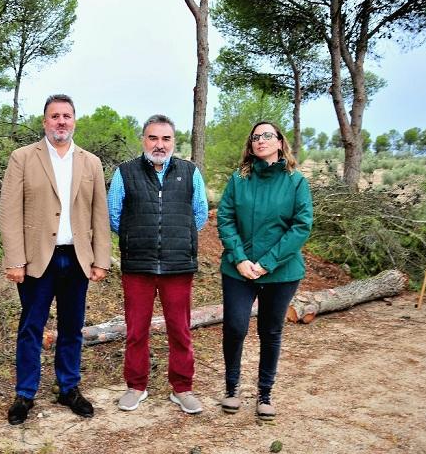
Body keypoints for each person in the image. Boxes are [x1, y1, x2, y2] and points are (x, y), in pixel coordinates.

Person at [0, 94, 111, 425]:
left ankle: (69, 388)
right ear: (45, 121)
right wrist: (15, 259)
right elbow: (9, 212)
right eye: (54, 116)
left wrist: (101, 258)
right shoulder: (22, 158)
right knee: (31, 327)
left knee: (72, 327)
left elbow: (99, 214)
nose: (61, 121)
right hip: (36, 260)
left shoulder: (90, 162)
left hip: (76, 258)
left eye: (66, 115)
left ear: (74, 120)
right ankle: (25, 394)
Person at [108, 114, 208, 414]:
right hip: (138, 267)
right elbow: (115, 216)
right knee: (136, 330)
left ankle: (182, 388)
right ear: (144, 139)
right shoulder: (125, 172)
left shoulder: (190, 172)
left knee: (180, 330)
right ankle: (136, 386)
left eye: (166, 139)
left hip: (178, 267)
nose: (159, 144)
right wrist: (137, 238)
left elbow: (199, 215)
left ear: (173, 142)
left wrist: (176, 237)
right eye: (153, 138)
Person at [216, 121, 313, 421]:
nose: (261, 141)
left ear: (280, 142)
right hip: (238, 269)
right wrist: (241, 259)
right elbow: (225, 218)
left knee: (270, 330)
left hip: (281, 271)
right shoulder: (239, 179)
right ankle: (232, 389)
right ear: (251, 144)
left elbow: (301, 226)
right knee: (235, 326)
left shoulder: (296, 181)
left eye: (267, 136)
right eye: (256, 137)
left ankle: (265, 394)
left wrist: (267, 262)